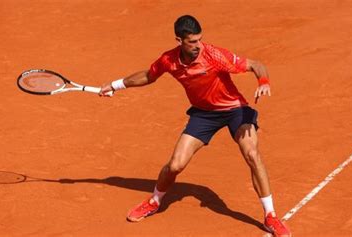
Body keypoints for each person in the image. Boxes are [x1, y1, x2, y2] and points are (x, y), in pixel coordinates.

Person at [99, 15, 291, 237]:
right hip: (204, 115)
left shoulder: (214, 55)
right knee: (175, 165)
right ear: (179, 40)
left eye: (200, 39)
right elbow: (148, 75)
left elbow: (256, 65)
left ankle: (271, 217)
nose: (198, 45)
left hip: (234, 110)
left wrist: (263, 82)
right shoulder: (169, 60)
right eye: (192, 42)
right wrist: (114, 85)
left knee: (252, 153)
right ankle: (154, 201)